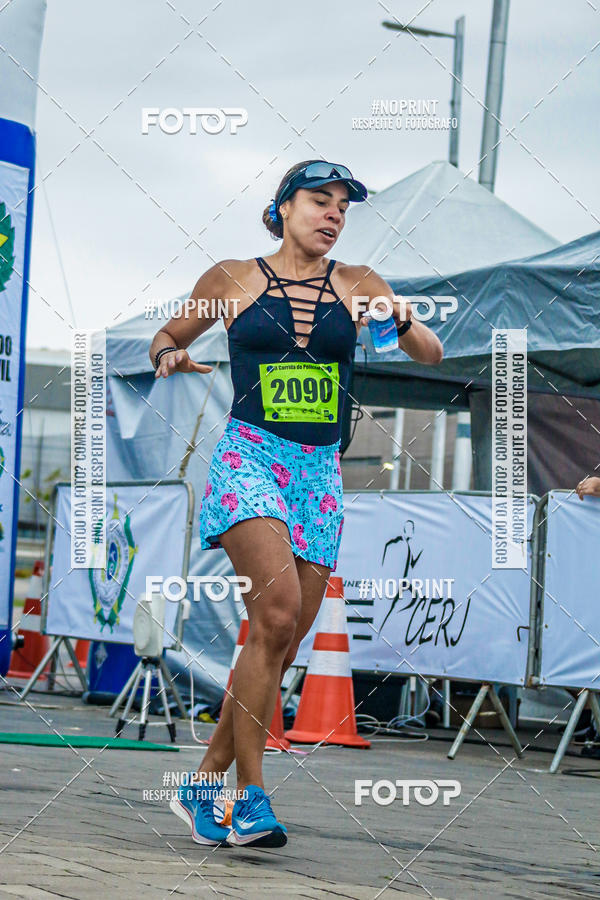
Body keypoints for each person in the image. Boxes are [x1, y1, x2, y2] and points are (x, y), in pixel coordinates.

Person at [149, 159, 443, 849]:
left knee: (277, 644)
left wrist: (401, 320)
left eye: (343, 205)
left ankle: (202, 781)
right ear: (283, 207)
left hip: (318, 474)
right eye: (320, 201)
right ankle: (250, 797)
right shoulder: (233, 278)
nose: (333, 214)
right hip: (250, 458)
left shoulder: (360, 283)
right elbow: (167, 337)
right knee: (274, 614)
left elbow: (431, 353)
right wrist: (170, 357)